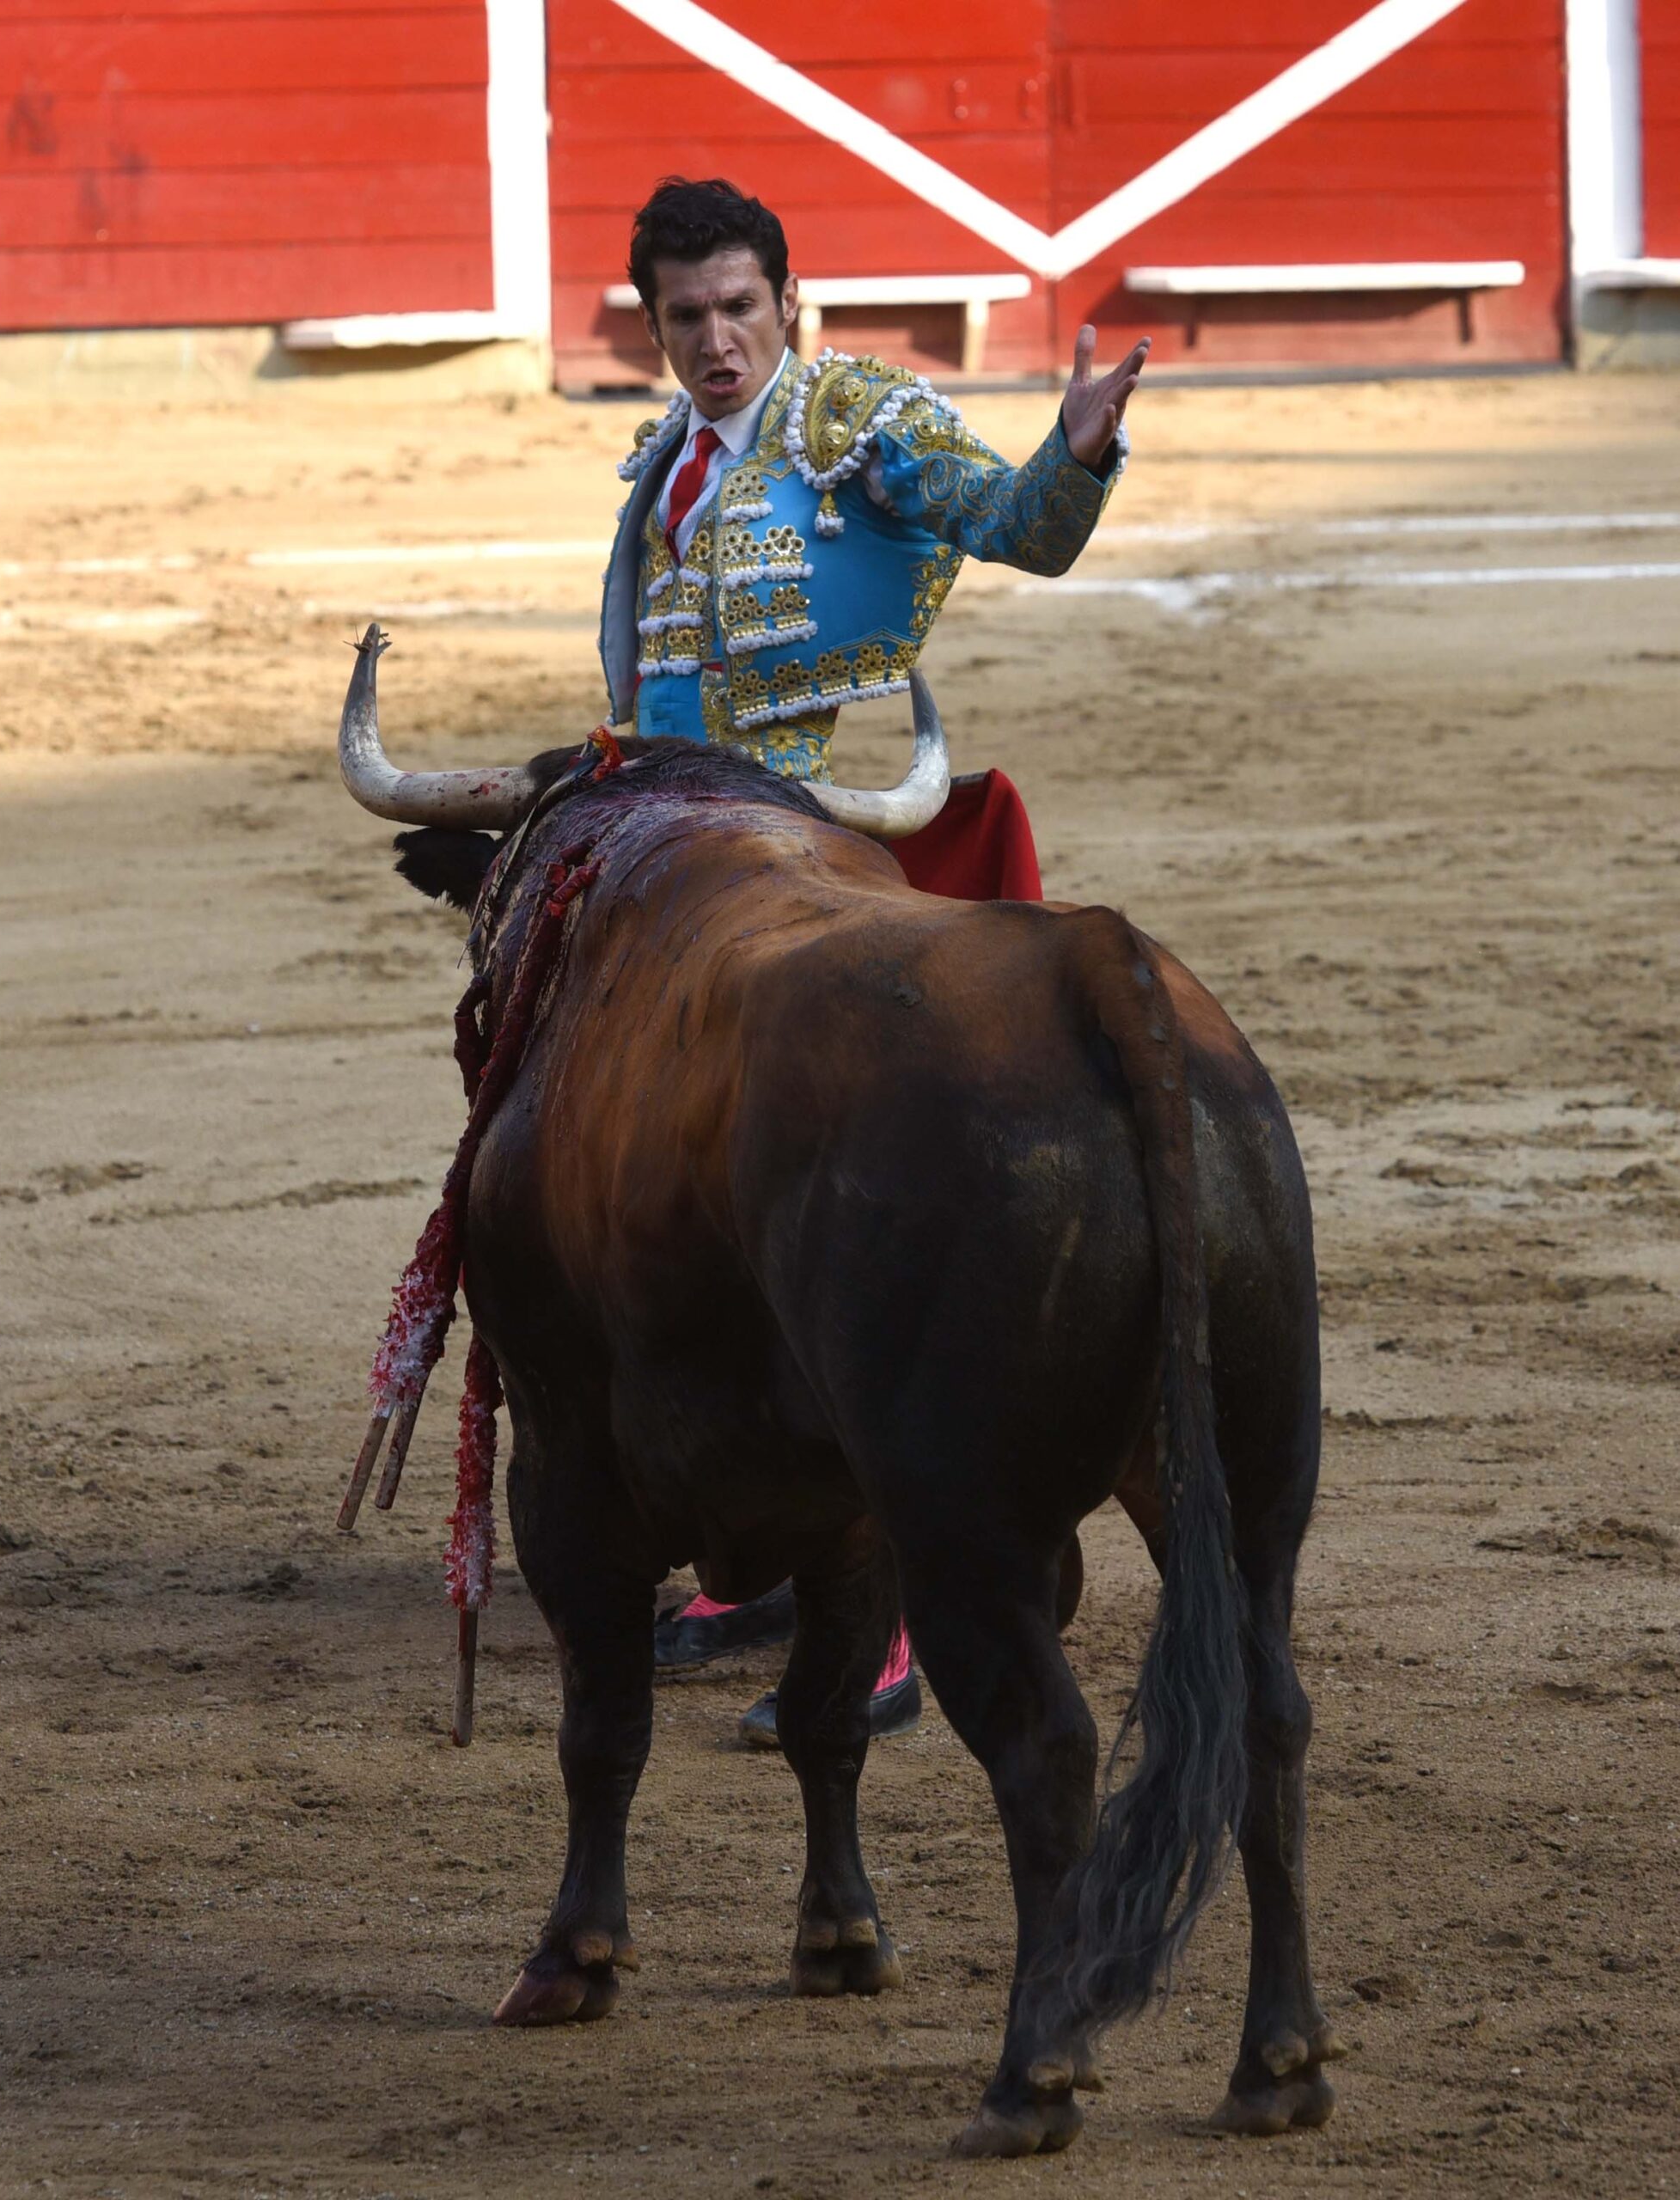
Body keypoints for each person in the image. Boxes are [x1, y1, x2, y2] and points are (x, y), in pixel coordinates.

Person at [604, 176, 1146, 1745]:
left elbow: (1021, 531)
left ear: (791, 302)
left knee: (855, 1266)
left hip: (827, 857)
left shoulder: (856, 423)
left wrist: (1079, 446)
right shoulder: (662, 466)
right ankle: (748, 1556)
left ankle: (892, 1601)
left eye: (738, 308)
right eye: (685, 317)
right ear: (655, 328)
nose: (715, 340)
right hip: (679, 869)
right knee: (687, 1227)